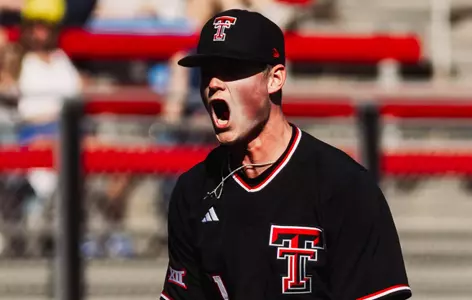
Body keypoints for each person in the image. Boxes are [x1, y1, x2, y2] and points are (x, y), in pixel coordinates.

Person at [160, 9, 412, 300]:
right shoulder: (193, 191)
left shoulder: (344, 186)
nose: (214, 83)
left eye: (230, 69)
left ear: (275, 79)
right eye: (207, 72)